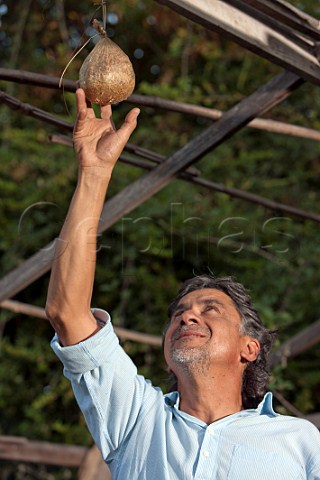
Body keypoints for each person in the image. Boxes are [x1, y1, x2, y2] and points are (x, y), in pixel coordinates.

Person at [46, 89, 320, 479]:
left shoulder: (300, 442)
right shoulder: (138, 421)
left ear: (249, 347)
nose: (187, 316)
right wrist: (94, 172)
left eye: (210, 309)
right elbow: (67, 312)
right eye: (179, 313)